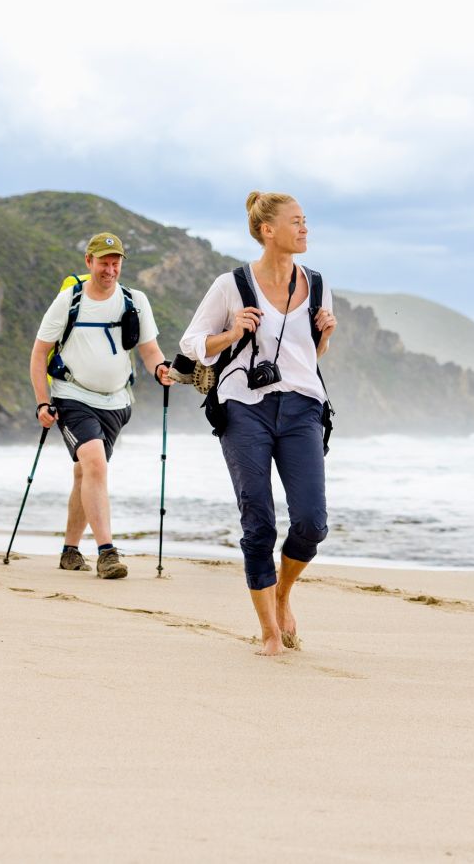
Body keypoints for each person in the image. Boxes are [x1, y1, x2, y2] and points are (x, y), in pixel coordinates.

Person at [180, 192, 338, 656]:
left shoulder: (318, 283)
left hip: (303, 406)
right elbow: (192, 343)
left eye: (306, 221)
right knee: (259, 522)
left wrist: (323, 336)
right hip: (243, 407)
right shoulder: (231, 284)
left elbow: (308, 357)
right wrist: (231, 333)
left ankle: (284, 592)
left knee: (312, 522)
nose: (305, 228)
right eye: (296, 221)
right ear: (268, 230)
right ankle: (269, 630)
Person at [30, 232, 173, 580]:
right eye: (103, 262)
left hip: (118, 402)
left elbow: (149, 348)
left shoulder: (134, 300)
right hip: (73, 396)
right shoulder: (69, 301)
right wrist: (42, 402)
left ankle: (69, 550)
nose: (109, 269)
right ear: (89, 262)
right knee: (95, 464)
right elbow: (38, 354)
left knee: (85, 473)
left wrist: (160, 368)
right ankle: (107, 552)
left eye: (115, 262)